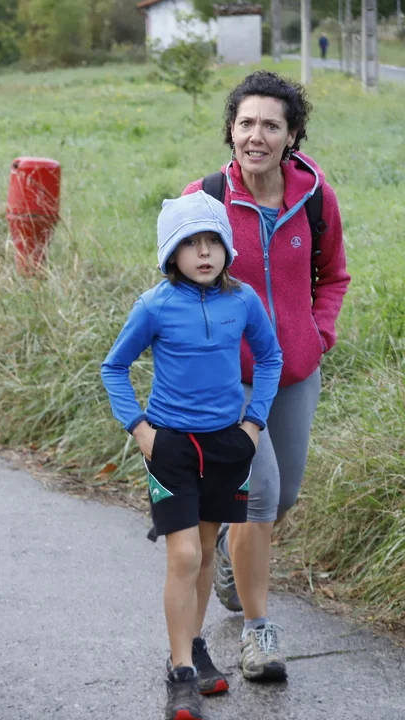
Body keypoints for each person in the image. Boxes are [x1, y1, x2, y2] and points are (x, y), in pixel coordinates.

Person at [185, 70, 349, 683]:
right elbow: (178, 287)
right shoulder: (204, 200)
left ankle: (233, 555)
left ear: (291, 135)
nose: (257, 135)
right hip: (228, 379)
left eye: (271, 125)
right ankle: (259, 634)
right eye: (246, 122)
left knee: (283, 497)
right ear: (231, 130)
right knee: (258, 495)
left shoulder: (316, 198)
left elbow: (333, 276)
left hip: (294, 371)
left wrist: (318, 333)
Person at [101, 191, 283, 720]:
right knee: (183, 556)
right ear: (171, 253)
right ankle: (181, 673)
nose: (204, 253)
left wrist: (254, 423)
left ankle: (193, 643)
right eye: (190, 243)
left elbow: (270, 356)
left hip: (228, 444)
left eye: (213, 242)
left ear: (226, 248)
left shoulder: (242, 301)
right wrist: (141, 430)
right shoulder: (154, 305)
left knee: (204, 552)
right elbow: (114, 368)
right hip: (171, 447)